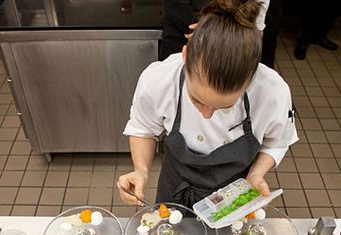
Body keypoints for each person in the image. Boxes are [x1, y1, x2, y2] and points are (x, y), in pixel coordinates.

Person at [117, 0, 298, 209]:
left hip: (235, 195)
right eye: (197, 100)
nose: (206, 114)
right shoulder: (160, 79)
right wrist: (141, 170)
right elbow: (143, 129)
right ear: (185, 56)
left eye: (224, 107)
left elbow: (276, 142)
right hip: (176, 189)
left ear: (251, 77)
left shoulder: (272, 92)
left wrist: (256, 174)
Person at [159, 0, 269, 62]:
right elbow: (174, 5)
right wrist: (209, 26)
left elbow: (257, 12)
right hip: (183, 39)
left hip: (234, 44)